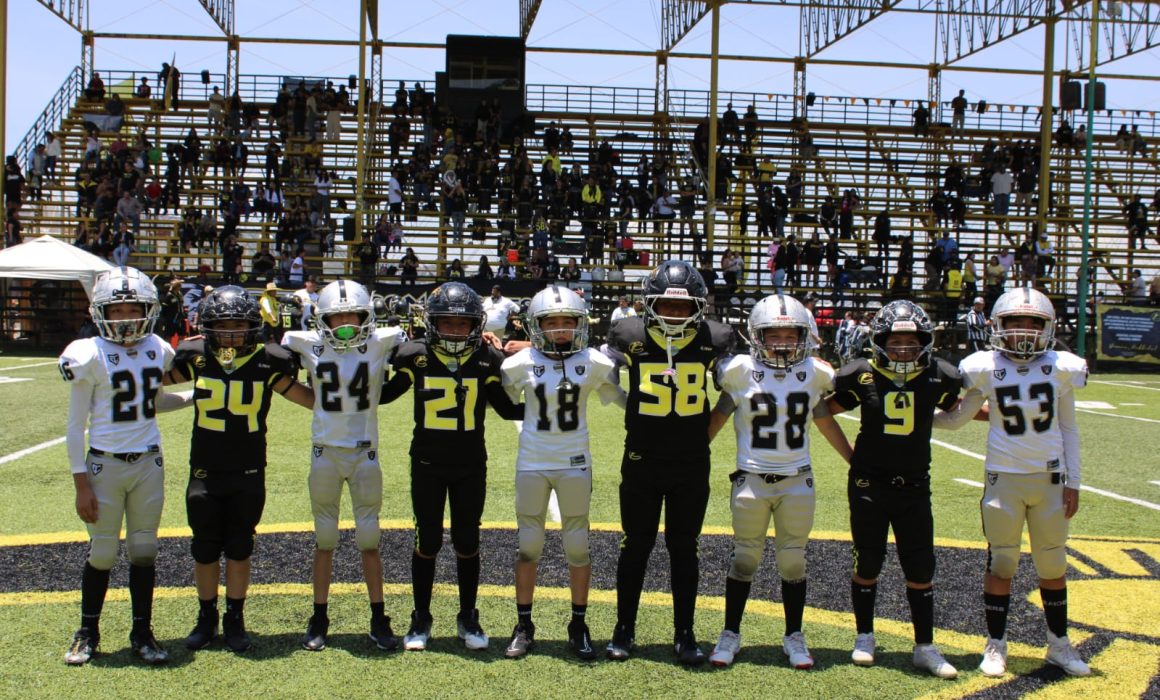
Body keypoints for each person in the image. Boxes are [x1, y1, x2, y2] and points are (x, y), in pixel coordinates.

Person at [934, 287, 1091, 678]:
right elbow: (956, 419)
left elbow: (1068, 428)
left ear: (1047, 327)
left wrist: (1075, 482)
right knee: (1002, 560)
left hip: (1050, 478)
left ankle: (1059, 644)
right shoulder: (985, 366)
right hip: (1004, 477)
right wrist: (908, 419)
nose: (1023, 330)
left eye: (1032, 323)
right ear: (997, 326)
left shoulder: (1062, 365)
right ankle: (996, 644)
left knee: (1052, 561)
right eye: (1015, 322)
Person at [164, 286, 313, 654]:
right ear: (209, 327)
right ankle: (205, 616)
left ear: (252, 328)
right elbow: (146, 380)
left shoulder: (268, 361)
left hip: (247, 470)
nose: (231, 334)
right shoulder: (195, 357)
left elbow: (308, 399)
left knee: (240, 547)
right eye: (223, 326)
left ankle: (235, 617)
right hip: (205, 469)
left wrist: (329, 370)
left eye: (238, 326)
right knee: (203, 547)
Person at [706, 294, 852, 671]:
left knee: (792, 561)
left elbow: (823, 418)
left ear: (805, 335)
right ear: (757, 336)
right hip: (751, 478)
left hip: (796, 480)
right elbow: (719, 415)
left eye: (791, 333)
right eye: (774, 334)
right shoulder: (739, 370)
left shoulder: (815, 373)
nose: (783, 341)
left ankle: (794, 635)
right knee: (744, 558)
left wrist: (855, 460)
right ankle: (731, 632)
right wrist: (688, 454)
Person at [602, 260, 736, 665]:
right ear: (649, 304)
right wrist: (628, 404)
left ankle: (685, 633)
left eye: (683, 306)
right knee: (634, 546)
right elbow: (602, 372)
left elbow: (733, 390)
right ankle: (624, 628)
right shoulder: (630, 333)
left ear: (698, 306)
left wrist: (708, 432)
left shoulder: (717, 337)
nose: (675, 313)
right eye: (666, 305)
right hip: (642, 459)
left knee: (685, 548)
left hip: (691, 462)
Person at [380, 282, 523, 652]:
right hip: (427, 462)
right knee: (426, 541)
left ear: (476, 324)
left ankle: (467, 614)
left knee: (467, 540)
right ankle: (421, 616)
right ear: (433, 323)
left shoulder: (486, 359)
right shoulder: (416, 356)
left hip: (470, 463)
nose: (456, 331)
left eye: (463, 324)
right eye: (448, 323)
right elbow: (385, 394)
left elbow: (507, 409)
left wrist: (549, 407)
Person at [59, 268, 189, 666]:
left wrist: (195, 395)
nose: (127, 316)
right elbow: (73, 426)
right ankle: (88, 631)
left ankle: (142, 632)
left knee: (144, 549)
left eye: (135, 308)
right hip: (104, 465)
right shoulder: (88, 353)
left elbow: (154, 402)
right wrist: (80, 482)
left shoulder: (157, 347)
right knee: (101, 552)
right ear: (101, 313)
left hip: (149, 461)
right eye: (118, 309)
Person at [826, 300, 963, 679]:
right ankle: (865, 636)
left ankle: (925, 646)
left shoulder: (938, 374)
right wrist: (849, 455)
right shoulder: (862, 374)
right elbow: (821, 410)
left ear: (925, 342)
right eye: (896, 340)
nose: (903, 348)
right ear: (880, 341)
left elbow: (966, 410)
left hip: (915, 486)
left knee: (920, 567)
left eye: (911, 340)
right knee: (867, 562)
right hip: (869, 484)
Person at [281, 280, 408, 652]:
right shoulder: (306, 343)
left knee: (369, 539)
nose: (345, 321)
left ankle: (378, 617)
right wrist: (313, 402)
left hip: (365, 452)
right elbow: (272, 365)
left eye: (352, 314)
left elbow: (417, 350)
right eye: (336, 316)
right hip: (325, 451)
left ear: (367, 315)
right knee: (325, 539)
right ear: (322, 319)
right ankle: (319, 616)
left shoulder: (382, 341)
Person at [500, 286, 625, 660]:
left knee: (577, 546)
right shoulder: (517, 364)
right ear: (536, 327)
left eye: (566, 322)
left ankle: (578, 623)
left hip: (574, 462)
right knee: (529, 545)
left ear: (579, 324)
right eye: (550, 323)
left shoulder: (595, 362)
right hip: (533, 463)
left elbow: (620, 400)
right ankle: (524, 623)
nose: (558, 330)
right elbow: (504, 401)